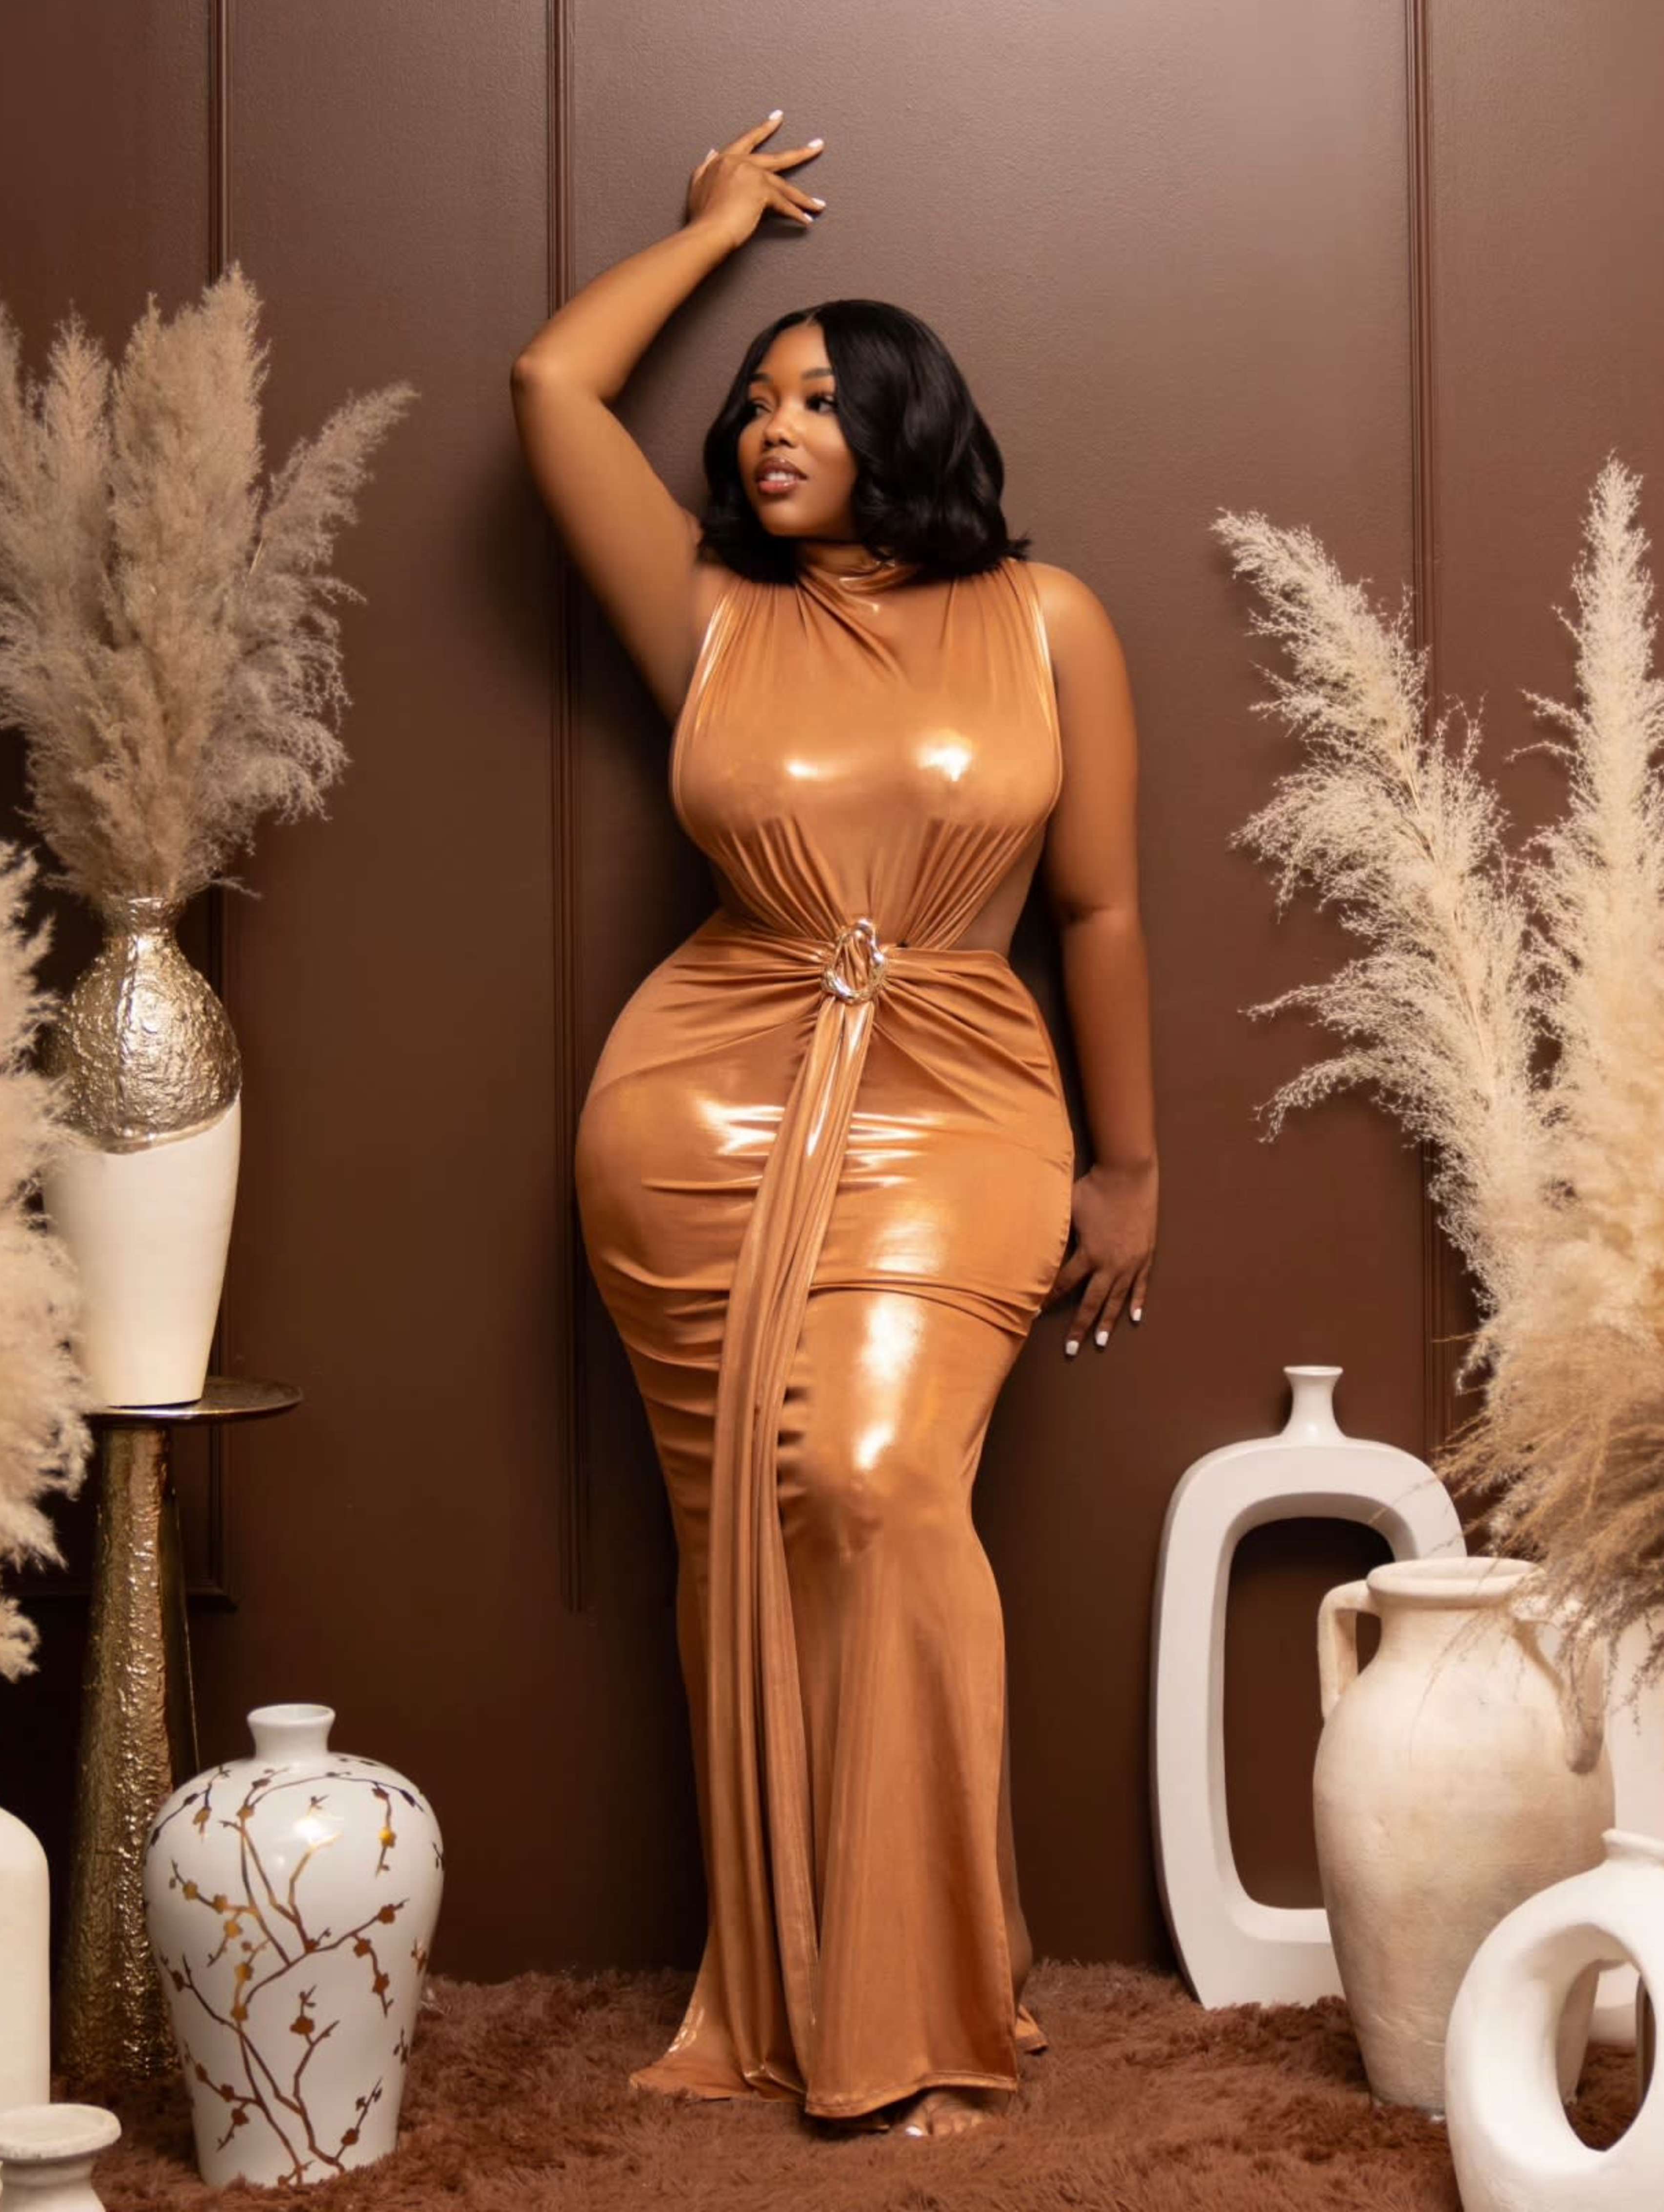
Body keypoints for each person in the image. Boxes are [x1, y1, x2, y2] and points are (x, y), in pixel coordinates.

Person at [510, 111, 1158, 2141]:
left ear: (907, 422)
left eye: (816, 395)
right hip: (695, 1106)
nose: (770, 425)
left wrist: (1130, 1164)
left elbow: (1102, 910)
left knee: (872, 1482)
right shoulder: (709, 613)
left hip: (960, 1092)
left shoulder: (1051, 619)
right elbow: (550, 385)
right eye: (756, 400)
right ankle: (801, 1992)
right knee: (751, 1542)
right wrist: (710, 233)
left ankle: (937, 1985)